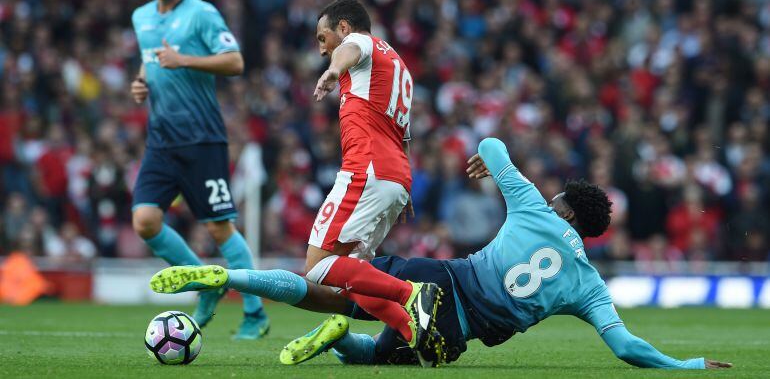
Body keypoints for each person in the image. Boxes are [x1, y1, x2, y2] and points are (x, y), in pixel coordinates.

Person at [150, 138, 732, 369]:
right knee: (372, 360)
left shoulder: (533, 206)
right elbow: (627, 347)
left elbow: (491, 142)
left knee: (324, 279)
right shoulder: (588, 286)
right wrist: (686, 366)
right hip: (454, 333)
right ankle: (340, 336)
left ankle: (231, 277)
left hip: (435, 280)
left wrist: (491, 162)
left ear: (566, 208)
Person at [130, 0, 268, 339]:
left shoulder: (202, 14)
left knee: (220, 229)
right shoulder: (141, 17)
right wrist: (142, 81)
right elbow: (150, 56)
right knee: (145, 220)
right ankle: (207, 283)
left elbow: (236, 62)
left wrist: (185, 60)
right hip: (161, 141)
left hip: (202, 139)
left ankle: (255, 312)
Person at [303, 0, 441, 357]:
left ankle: (409, 294)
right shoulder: (398, 65)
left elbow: (349, 50)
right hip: (394, 177)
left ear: (344, 28)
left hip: (366, 170)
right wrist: (405, 187)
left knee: (318, 269)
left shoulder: (362, 44)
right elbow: (403, 134)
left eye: (323, 38)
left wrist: (334, 70)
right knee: (352, 275)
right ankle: (416, 334)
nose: (322, 49)